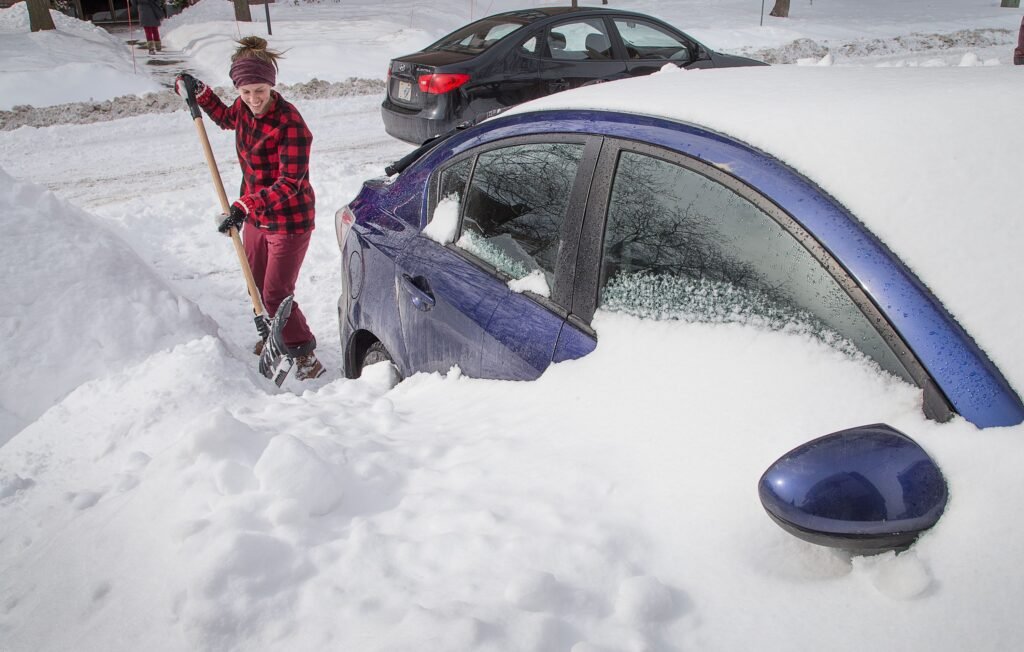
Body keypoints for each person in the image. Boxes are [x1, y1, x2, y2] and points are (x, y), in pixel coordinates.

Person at [175, 37, 325, 381]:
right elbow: (227, 118)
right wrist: (201, 94)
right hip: (256, 215)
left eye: (260, 90)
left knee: (275, 294)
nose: (254, 100)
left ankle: (304, 354)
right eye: (246, 92)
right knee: (255, 286)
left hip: (290, 219)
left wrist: (244, 204)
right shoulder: (243, 109)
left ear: (271, 85)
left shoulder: (291, 125)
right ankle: (275, 336)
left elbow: (291, 182)